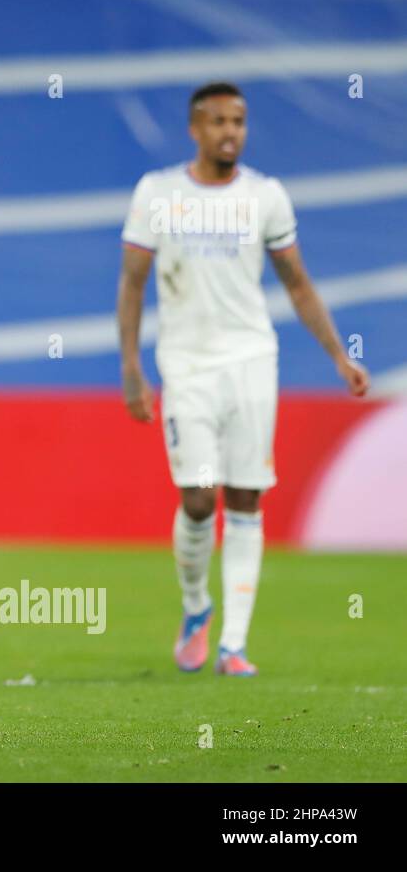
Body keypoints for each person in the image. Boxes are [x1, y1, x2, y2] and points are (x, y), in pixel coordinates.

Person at [117, 81, 369, 677]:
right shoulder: (159, 192)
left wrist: (339, 355)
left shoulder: (266, 196)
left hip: (253, 360)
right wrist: (131, 365)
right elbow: (132, 282)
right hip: (186, 364)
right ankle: (197, 606)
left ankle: (234, 644)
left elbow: (297, 284)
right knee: (200, 497)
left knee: (247, 496)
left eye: (240, 121)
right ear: (195, 129)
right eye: (219, 121)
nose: (231, 131)